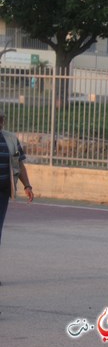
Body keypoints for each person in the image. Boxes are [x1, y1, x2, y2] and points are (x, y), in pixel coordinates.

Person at [0, 111, 34, 284]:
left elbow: (19, 163)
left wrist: (27, 185)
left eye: (1, 120)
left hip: (3, 192)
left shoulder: (11, 139)